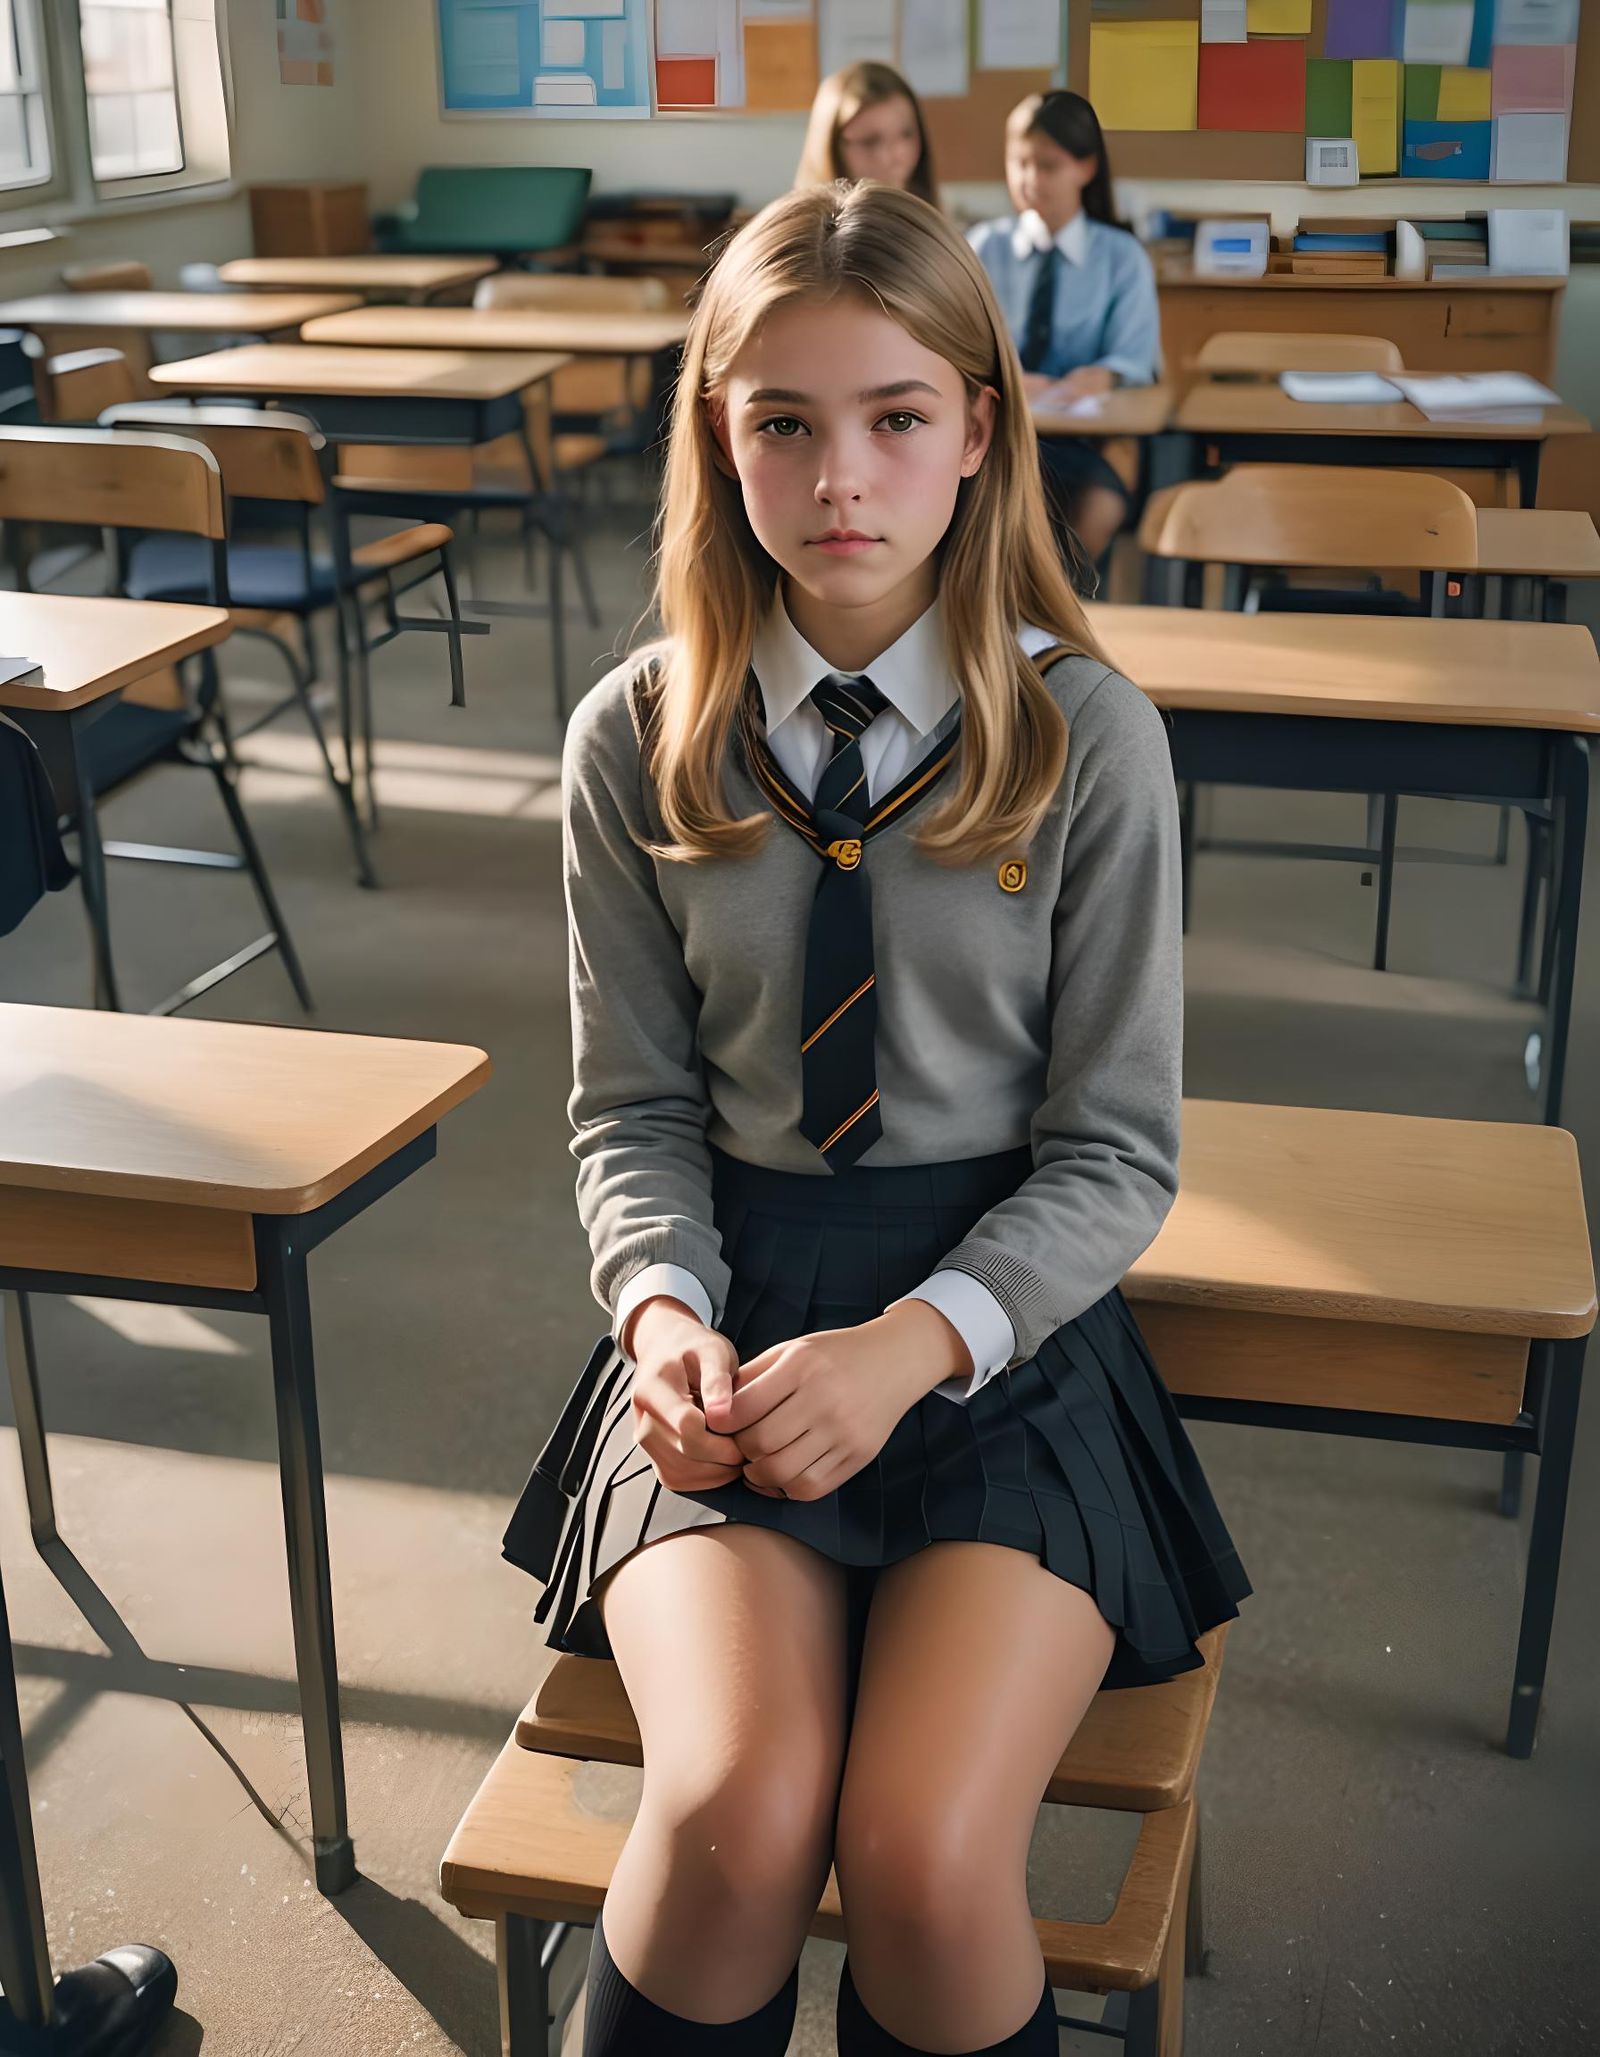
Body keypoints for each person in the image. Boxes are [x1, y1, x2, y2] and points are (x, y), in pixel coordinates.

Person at [502, 179, 1250, 2057]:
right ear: (717, 435)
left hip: (1000, 1328)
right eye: (783, 423)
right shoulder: (638, 735)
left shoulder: (1086, 738)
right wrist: (661, 1314)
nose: (842, 477)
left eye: (897, 417)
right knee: (734, 1811)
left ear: (979, 429)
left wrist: (916, 1344)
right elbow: (632, 1112)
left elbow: (1116, 1153)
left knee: (921, 1849)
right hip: (738, 1306)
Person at [968, 90, 1160, 573]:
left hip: (1085, 438)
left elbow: (1134, 357)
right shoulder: (982, 248)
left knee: (1096, 509)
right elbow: (956, 344)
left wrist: (1103, 376)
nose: (1031, 181)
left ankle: (1054, 608)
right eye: (1020, 163)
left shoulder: (1121, 256)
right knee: (995, 512)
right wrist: (1008, 378)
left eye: (1048, 165)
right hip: (999, 432)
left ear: (1086, 167)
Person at [797, 61, 940, 207]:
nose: (893, 156)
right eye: (869, 142)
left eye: (906, 135)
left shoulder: (935, 218)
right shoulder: (805, 220)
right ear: (831, 146)